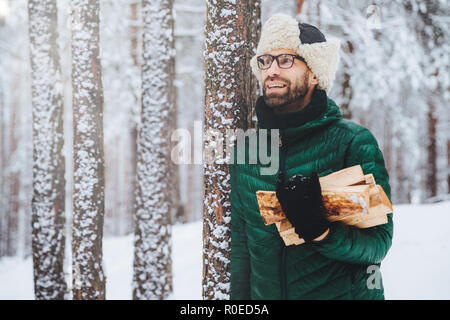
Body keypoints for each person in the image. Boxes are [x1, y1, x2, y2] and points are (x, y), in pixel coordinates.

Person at [229, 13, 394, 300]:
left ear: (315, 72)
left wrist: (321, 232)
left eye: (286, 60)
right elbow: (242, 255)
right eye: (265, 60)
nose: (272, 71)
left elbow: (378, 244)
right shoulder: (247, 150)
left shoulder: (351, 143)